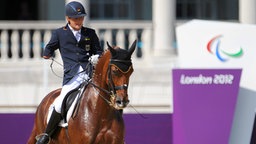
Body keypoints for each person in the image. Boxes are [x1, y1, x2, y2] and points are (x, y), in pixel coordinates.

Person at [36, 1, 103, 144]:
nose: (79, 21)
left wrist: (97, 57)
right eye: (76, 18)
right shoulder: (60, 33)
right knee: (60, 103)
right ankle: (46, 134)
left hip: (90, 74)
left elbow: (98, 50)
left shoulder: (90, 33)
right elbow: (48, 49)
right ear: (68, 18)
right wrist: (47, 54)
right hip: (72, 77)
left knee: (106, 97)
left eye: (81, 18)